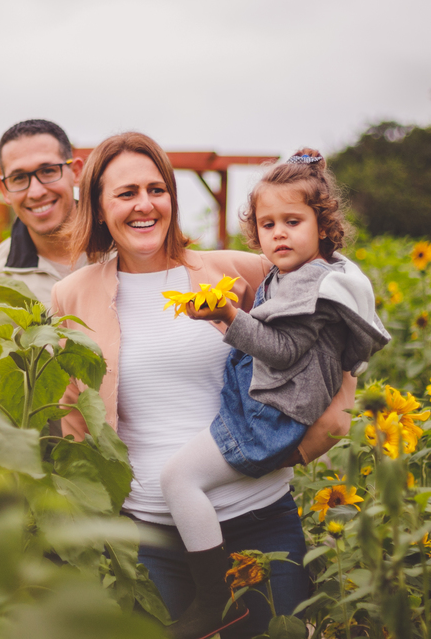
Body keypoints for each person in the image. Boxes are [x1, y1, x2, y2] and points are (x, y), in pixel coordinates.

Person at [50, 133, 358, 639]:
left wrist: (315, 436)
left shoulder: (241, 271)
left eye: (156, 188)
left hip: (259, 517)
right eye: (126, 193)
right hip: (150, 537)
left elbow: (331, 336)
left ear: (172, 196)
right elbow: (75, 417)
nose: (144, 205)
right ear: (101, 209)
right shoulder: (73, 296)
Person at [159, 150, 389, 638]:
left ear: (323, 227)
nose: (279, 233)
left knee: (178, 480)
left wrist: (226, 315)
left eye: (293, 220)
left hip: (269, 418)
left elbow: (282, 351)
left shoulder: (312, 287)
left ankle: (215, 599)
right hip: (268, 410)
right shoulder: (303, 274)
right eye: (268, 224)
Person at [0, 119, 86, 304]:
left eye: (48, 171)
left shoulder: (123, 250)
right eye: (19, 177)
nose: (36, 192)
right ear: (4, 190)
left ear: (76, 172)